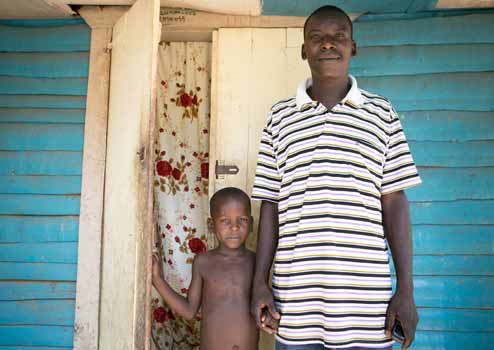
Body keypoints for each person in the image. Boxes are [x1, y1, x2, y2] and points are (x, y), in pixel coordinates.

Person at [250, 5, 421, 350]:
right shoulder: (279, 117)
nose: (328, 44)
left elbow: (395, 202)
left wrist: (405, 290)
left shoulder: (382, 112)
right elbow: (270, 205)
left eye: (338, 36)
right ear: (303, 50)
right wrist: (260, 283)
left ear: (353, 47)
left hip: (367, 304)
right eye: (317, 38)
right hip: (295, 300)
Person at [153, 187, 265, 349]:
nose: (234, 227)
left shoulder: (257, 262)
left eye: (242, 220)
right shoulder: (203, 262)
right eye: (225, 221)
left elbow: (265, 307)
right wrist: (157, 280)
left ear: (252, 223)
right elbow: (189, 311)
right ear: (211, 225)